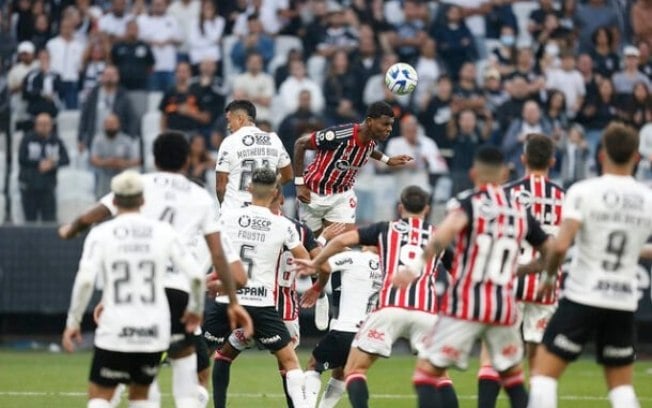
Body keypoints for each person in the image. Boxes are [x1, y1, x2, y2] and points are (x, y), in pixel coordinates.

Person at [58, 131, 252, 408]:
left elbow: (94, 215)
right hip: (178, 292)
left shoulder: (139, 186)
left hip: (138, 290)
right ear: (187, 159)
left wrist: (71, 229)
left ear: (153, 157)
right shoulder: (200, 197)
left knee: (128, 381)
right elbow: (217, 253)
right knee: (188, 376)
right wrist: (230, 302)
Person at [400, 146, 552, 408]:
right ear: (505, 173)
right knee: (513, 379)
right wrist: (529, 271)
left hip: (467, 305)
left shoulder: (469, 203)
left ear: (473, 174)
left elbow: (442, 237)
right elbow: (551, 252)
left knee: (425, 375)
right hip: (504, 307)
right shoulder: (520, 211)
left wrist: (413, 268)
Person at [294, 185, 453, 408]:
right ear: (427, 209)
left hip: (374, 317)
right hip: (421, 311)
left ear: (400, 207)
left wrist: (316, 257)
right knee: (439, 374)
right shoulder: (436, 238)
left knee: (345, 369)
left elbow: (333, 255)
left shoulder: (376, 238)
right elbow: (458, 269)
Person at [529, 122, 652, 408]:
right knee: (621, 388)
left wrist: (547, 280)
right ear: (637, 156)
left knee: (543, 377)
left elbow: (560, 245)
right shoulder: (647, 198)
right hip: (623, 300)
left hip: (583, 296)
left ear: (601, 154)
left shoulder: (584, 191)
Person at [61, 169, 205, 408]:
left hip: (115, 329)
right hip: (152, 331)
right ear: (143, 200)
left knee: (100, 397)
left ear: (114, 201)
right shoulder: (163, 232)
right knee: (142, 396)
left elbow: (86, 280)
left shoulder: (100, 233)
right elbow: (197, 277)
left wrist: (73, 322)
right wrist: (195, 309)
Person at [205, 167, 311, 408]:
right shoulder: (284, 225)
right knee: (290, 362)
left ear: (249, 188)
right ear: (276, 192)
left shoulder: (227, 217)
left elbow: (211, 249)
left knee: (201, 359)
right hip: (261, 303)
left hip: (226, 300)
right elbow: (305, 261)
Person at [475, 135, 565, 407]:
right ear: (552, 161)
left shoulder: (505, 193)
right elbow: (563, 244)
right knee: (538, 364)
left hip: (508, 283)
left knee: (491, 356)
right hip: (545, 286)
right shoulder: (564, 197)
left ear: (523, 159)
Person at [215, 99, 292, 212]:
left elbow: (221, 187)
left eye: (229, 120)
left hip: (236, 211)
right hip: (265, 211)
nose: (228, 126)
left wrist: (225, 210)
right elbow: (288, 175)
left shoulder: (229, 142)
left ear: (240, 118)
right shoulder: (273, 139)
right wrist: (270, 186)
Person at [18, 112, 70, 223]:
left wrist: (52, 164)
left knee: (49, 221)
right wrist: (39, 163)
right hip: (29, 186)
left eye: (46, 124)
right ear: (36, 125)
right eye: (41, 124)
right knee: (30, 222)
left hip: (48, 187)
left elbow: (65, 160)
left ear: (51, 125)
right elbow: (21, 159)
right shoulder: (27, 139)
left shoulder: (56, 141)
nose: (44, 127)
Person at [78, 65, 136, 152]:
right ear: (102, 77)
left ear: (118, 77)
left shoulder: (124, 96)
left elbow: (132, 119)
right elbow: (84, 117)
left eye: (113, 75)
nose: (110, 78)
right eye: (107, 75)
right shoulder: (93, 94)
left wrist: (130, 138)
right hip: (95, 140)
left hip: (117, 141)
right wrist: (81, 138)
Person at [90, 114, 140, 199]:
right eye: (108, 124)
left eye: (113, 124)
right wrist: (107, 162)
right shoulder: (98, 140)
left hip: (122, 177)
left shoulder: (126, 140)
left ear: (118, 125)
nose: (110, 127)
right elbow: (93, 159)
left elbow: (137, 160)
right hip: (104, 178)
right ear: (104, 125)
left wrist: (122, 163)